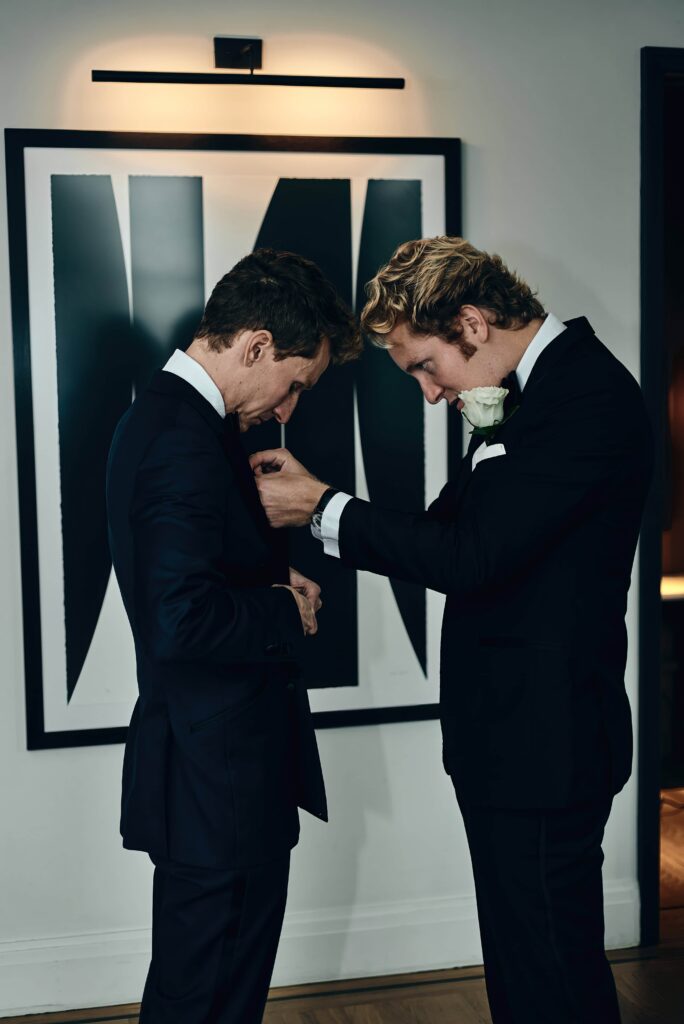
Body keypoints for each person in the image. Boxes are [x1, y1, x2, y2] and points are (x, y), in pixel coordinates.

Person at [250, 236, 653, 1024]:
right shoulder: (528, 397)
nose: (431, 393)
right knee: (521, 967)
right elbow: (445, 535)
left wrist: (323, 506)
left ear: (470, 321)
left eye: (425, 366)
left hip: (548, 743)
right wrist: (325, 513)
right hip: (508, 741)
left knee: (551, 976)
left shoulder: (585, 397)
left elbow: (471, 557)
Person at [106, 248, 361, 1023]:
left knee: (210, 996)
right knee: (207, 1001)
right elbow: (182, 619)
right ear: (254, 346)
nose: (288, 407)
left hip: (214, 775)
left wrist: (272, 583)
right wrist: (287, 609)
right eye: (294, 383)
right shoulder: (183, 439)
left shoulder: (177, 421)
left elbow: (191, 591)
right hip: (218, 785)